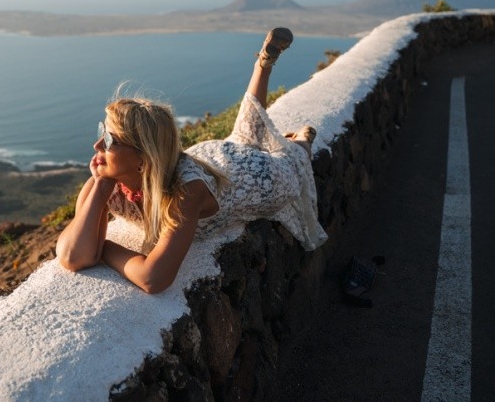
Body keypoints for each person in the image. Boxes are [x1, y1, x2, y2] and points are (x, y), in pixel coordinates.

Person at [56, 28, 328, 293]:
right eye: (102, 133)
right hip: (213, 156)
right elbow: (72, 257)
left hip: (257, 177)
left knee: (290, 160)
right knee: (244, 132)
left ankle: (301, 141)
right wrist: (100, 188)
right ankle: (263, 65)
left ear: (143, 159)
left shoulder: (185, 192)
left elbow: (154, 279)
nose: (97, 145)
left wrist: (102, 247)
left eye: (110, 141)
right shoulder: (107, 181)